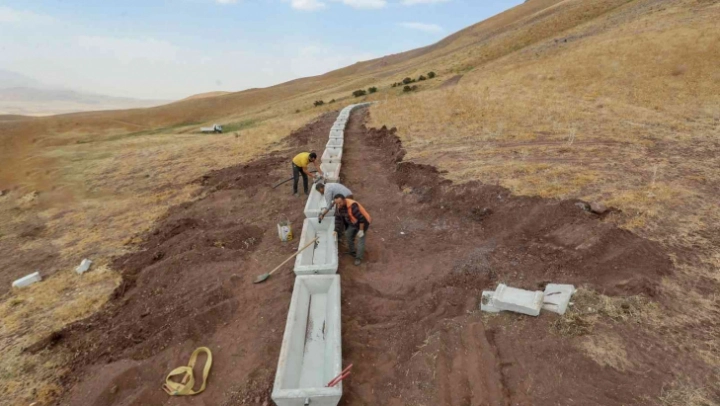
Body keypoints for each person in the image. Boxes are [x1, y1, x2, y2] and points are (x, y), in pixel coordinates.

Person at [334, 194, 371, 266]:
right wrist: (335, 230)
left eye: (340, 203)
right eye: (337, 203)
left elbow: (361, 218)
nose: (338, 205)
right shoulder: (339, 207)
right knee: (348, 234)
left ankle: (358, 258)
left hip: (363, 223)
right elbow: (338, 219)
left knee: (361, 240)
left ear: (344, 200)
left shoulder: (352, 206)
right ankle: (352, 251)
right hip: (353, 222)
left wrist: (361, 230)